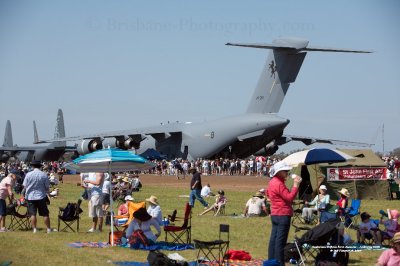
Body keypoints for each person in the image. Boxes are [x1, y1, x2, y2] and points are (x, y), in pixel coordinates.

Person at [267, 161, 302, 265]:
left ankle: (271, 261)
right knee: (280, 242)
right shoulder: (279, 183)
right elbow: (290, 197)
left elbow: (268, 193)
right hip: (283, 214)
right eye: (285, 171)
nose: (287, 172)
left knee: (273, 239)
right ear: (279, 172)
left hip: (275, 213)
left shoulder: (272, 181)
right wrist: (295, 185)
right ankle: (279, 263)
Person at [22, 160, 56, 233]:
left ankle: (34, 229)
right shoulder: (44, 175)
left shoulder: (28, 174)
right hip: (41, 196)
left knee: (32, 214)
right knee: (45, 214)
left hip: (30, 197)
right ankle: (48, 229)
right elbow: (47, 187)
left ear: (32, 166)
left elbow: (24, 186)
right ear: (40, 166)